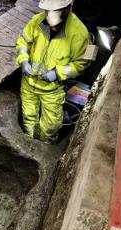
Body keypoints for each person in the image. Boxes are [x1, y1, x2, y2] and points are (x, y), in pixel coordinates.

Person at [15, 0, 91, 143]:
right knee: (28, 116)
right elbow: (23, 41)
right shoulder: (37, 21)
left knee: (50, 126)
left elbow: (82, 63)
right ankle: (29, 143)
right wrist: (24, 60)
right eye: (47, 10)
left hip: (52, 90)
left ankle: (44, 146)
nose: (48, 15)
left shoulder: (79, 33)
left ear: (67, 9)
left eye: (54, 11)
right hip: (29, 83)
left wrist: (58, 73)